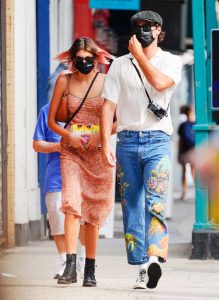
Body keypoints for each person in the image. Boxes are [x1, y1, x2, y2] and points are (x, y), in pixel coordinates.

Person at [101, 10, 182, 290]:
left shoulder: (172, 61)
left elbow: (159, 84)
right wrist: (104, 143)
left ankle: (155, 258)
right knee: (131, 206)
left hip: (157, 141)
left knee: (155, 202)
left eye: (149, 26)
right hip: (125, 141)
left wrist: (141, 57)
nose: (143, 30)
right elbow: (108, 106)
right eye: (138, 26)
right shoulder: (120, 65)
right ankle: (140, 267)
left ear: (159, 30)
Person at [48, 37, 116, 287]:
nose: (86, 63)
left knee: (94, 213)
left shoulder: (108, 82)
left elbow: (119, 119)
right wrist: (69, 136)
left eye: (90, 59)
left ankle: (90, 269)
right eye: (81, 59)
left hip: (98, 151)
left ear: (97, 58)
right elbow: (52, 121)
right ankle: (70, 267)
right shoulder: (64, 81)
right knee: (71, 204)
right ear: (73, 59)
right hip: (72, 152)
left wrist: (101, 135)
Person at [33, 65, 86, 280]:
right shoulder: (46, 111)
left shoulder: (83, 109)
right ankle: (65, 260)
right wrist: (57, 146)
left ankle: (80, 259)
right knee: (56, 217)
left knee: (80, 220)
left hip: (80, 175)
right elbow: (37, 144)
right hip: (55, 176)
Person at [178, 105, 196, 200]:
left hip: (185, 150)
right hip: (193, 149)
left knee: (184, 172)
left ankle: (184, 193)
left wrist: (179, 152)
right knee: (194, 171)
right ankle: (199, 192)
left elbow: (180, 140)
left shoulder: (183, 125)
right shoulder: (195, 124)